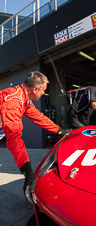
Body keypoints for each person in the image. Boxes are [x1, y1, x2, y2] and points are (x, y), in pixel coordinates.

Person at [0, 71, 69, 202]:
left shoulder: (24, 99)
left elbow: (39, 117)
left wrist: (60, 131)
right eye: (43, 90)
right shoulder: (13, 100)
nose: (44, 94)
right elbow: (14, 138)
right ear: (35, 89)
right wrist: (28, 172)